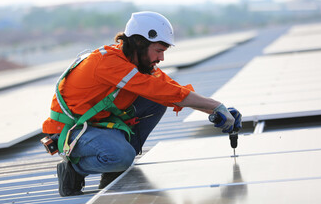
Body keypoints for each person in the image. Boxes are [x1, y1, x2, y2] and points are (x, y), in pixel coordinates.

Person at [42, 11, 242, 197]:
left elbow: (173, 90)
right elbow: (167, 92)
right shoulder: (109, 63)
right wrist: (215, 105)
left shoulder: (139, 65)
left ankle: (115, 169)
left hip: (97, 124)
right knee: (122, 155)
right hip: (71, 131)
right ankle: (74, 169)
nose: (161, 58)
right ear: (138, 42)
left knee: (157, 101)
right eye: (158, 50)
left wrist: (216, 109)